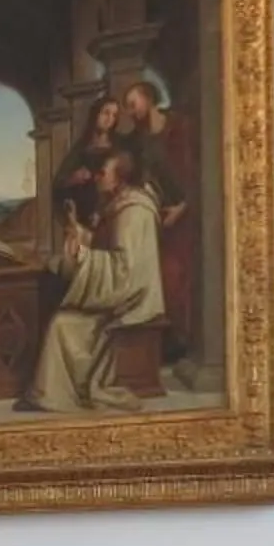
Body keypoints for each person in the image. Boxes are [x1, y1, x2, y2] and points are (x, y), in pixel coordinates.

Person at [26, 145, 167, 413]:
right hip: (123, 293)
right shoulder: (120, 205)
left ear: (120, 177)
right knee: (61, 315)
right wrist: (79, 234)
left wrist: (82, 255)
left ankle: (54, 396)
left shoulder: (133, 212)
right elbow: (109, 249)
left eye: (103, 172)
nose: (97, 177)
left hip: (132, 302)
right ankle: (49, 393)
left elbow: (123, 270)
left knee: (61, 324)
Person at [116, 80, 198, 360]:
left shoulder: (179, 126)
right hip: (161, 213)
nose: (130, 111)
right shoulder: (139, 138)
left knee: (179, 276)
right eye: (127, 106)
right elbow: (142, 173)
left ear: (149, 99)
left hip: (186, 212)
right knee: (160, 275)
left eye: (132, 103)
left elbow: (197, 172)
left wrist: (183, 207)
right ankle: (169, 342)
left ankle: (185, 341)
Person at [52, 94, 124, 245]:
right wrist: (74, 178)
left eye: (114, 115)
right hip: (83, 214)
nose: (109, 119)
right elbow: (59, 183)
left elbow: (126, 177)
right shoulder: (82, 147)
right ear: (95, 114)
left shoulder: (119, 145)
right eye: (106, 113)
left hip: (110, 211)